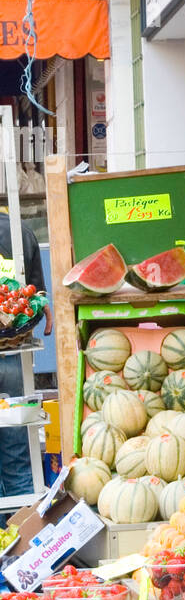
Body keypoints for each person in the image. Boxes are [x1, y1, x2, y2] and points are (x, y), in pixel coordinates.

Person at [0, 208, 53, 521]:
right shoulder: (21, 232)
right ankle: (20, 539)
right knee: (19, 454)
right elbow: (37, 302)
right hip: (14, 357)